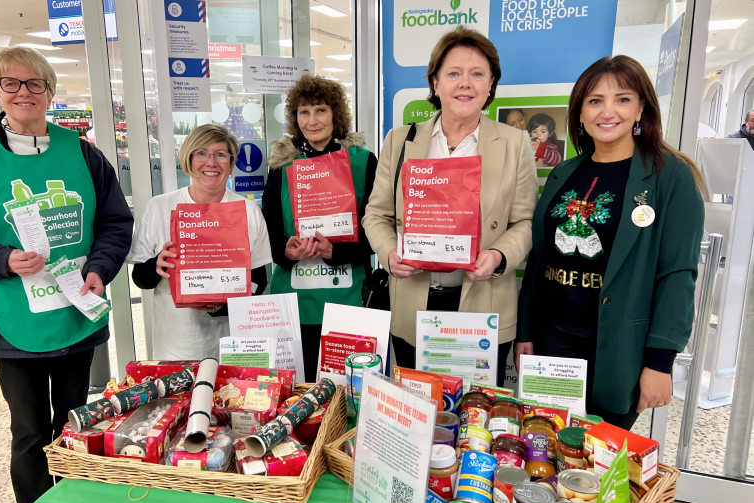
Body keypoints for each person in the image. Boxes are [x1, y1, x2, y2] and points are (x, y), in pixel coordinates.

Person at [0, 46, 133, 503]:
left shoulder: (83, 153)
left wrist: (100, 268)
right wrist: (1, 258)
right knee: (30, 430)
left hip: (74, 310)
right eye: (11, 84)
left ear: (49, 91)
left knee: (74, 421)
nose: (24, 93)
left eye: (34, 83)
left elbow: (115, 222)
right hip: (14, 318)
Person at [515, 56, 707, 430]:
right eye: (594, 101)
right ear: (580, 113)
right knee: (547, 448)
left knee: (601, 461)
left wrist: (660, 362)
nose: (608, 111)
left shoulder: (671, 177)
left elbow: (677, 274)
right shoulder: (565, 173)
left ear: (641, 109)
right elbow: (540, 259)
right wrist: (525, 332)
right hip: (552, 341)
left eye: (622, 99)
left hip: (619, 348)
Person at [363, 27, 539, 387]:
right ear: (435, 83)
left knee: (475, 415)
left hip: (482, 304)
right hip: (415, 303)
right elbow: (376, 214)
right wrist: (389, 252)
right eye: (454, 73)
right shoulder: (401, 141)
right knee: (416, 409)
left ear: (490, 85)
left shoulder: (514, 143)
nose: (466, 84)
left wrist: (499, 258)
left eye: (478, 74)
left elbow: (525, 222)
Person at [262, 74, 378, 382]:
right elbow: (268, 225)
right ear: (294, 117)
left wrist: (337, 250)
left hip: (349, 297)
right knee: (297, 388)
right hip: (294, 302)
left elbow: (378, 226)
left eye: (321, 110)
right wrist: (282, 249)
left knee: (346, 389)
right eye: (304, 111)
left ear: (336, 115)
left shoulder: (363, 162)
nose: (312, 120)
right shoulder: (281, 167)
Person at [127, 124, 272, 360]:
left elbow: (258, 282)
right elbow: (140, 280)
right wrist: (158, 264)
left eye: (221, 154)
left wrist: (220, 307)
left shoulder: (248, 211)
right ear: (188, 159)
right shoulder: (160, 207)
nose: (211, 162)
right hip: (176, 344)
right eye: (202, 153)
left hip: (232, 345)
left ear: (232, 162)